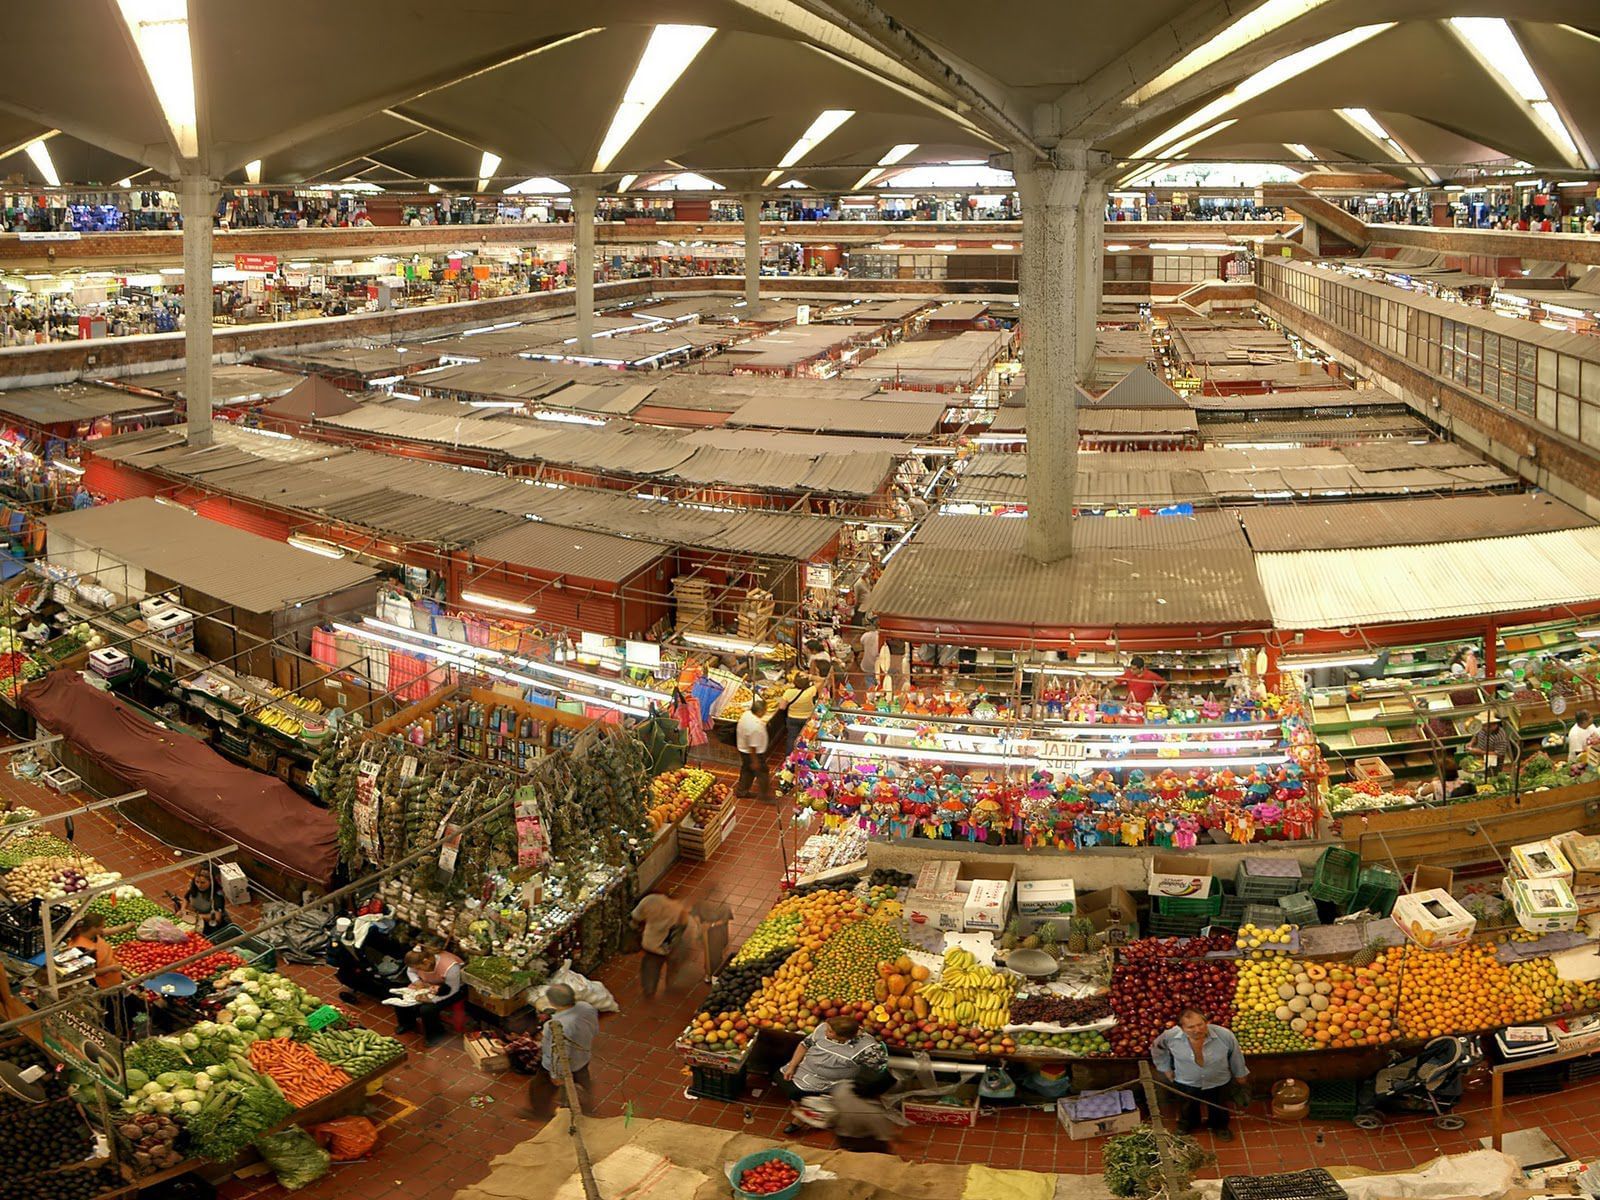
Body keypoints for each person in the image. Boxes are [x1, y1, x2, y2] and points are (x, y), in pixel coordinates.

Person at [1151, 1007, 1249, 1140]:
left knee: (1218, 1105)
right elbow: (1157, 1049)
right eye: (1191, 1027)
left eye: (1200, 1024)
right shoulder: (1170, 1037)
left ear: (1206, 1022)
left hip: (1218, 1080)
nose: (1197, 1030)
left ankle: (1220, 1127)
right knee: (1187, 1106)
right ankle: (1187, 1124)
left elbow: (1235, 1055)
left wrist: (1240, 1074)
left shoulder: (1224, 1035)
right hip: (1186, 1081)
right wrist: (1166, 1069)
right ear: (1181, 1028)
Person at [779, 1014, 889, 1103]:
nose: (825, 1032)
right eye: (827, 1028)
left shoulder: (866, 1050)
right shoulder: (823, 1029)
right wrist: (792, 1066)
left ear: (843, 1037)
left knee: (796, 1093)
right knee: (782, 1079)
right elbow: (804, 1045)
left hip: (829, 1082)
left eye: (830, 1032)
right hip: (805, 1069)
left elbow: (879, 1067)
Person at [529, 983, 598, 1121]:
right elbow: (594, 1029)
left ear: (553, 1002)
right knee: (583, 1082)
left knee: (539, 1087)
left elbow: (558, 1052)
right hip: (582, 1057)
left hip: (561, 1065)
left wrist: (556, 1074)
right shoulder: (587, 1008)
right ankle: (587, 1110)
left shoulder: (556, 1026)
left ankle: (540, 1113)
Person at [394, 947, 464, 1040]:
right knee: (401, 996)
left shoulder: (450, 966)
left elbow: (452, 989)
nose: (418, 970)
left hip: (452, 989)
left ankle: (436, 1034)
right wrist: (417, 981)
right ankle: (407, 1023)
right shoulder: (419, 961)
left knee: (427, 1009)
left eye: (419, 968)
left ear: (426, 962)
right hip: (429, 984)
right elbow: (410, 971)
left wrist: (432, 999)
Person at [830, 1068, 902, 1155]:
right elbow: (887, 1138)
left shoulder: (842, 1088)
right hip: (863, 1140)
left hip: (841, 1133)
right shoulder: (875, 1114)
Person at [68, 912, 124, 991]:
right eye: (102, 926)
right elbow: (89, 972)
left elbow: (105, 933)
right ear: (93, 928)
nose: (103, 928)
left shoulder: (91, 935)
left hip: (113, 979)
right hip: (103, 985)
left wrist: (125, 927)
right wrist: (111, 968)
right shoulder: (81, 948)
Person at [736, 697, 772, 801]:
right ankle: (765, 795)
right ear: (760, 711)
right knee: (762, 772)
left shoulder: (747, 714)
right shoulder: (754, 727)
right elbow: (753, 746)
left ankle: (741, 791)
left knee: (747, 770)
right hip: (753, 754)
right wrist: (755, 761)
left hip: (743, 749)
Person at [180, 865, 228, 936]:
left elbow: (217, 918)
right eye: (197, 882)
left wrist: (197, 916)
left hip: (211, 925)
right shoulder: (194, 888)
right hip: (197, 919)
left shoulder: (217, 896)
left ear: (211, 882)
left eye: (203, 883)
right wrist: (183, 910)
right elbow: (186, 898)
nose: (199, 885)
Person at [858, 621, 881, 685]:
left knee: (870, 687)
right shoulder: (880, 637)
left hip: (867, 664)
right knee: (879, 685)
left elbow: (861, 642)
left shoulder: (866, 635)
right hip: (878, 666)